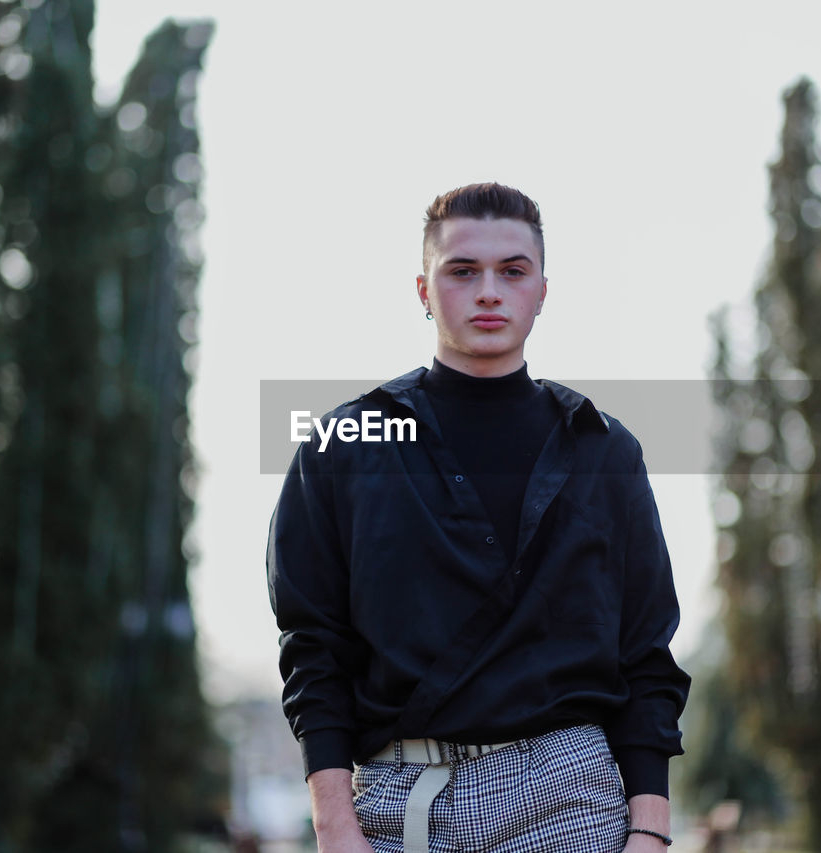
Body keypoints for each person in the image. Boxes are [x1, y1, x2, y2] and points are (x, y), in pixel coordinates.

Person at [267, 183, 690, 852]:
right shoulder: (342, 446)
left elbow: (645, 652)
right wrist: (334, 822)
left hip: (569, 797)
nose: (489, 291)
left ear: (543, 289)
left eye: (512, 271)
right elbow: (312, 643)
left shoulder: (605, 449)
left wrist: (651, 829)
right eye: (463, 270)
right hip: (398, 804)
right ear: (422, 288)